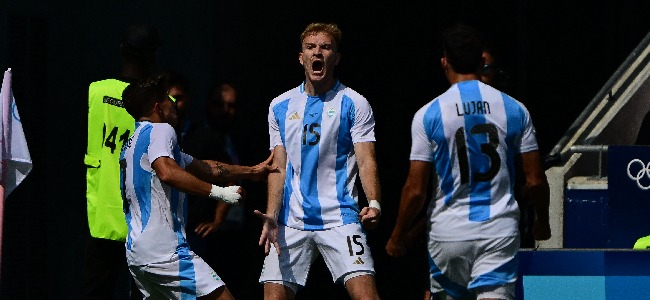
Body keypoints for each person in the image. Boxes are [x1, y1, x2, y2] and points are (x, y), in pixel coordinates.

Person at [385, 23, 551, 300]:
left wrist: (397, 235)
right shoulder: (514, 108)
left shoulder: (429, 114)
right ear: (482, 59)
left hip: (448, 235)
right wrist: (542, 222)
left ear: (444, 62)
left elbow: (415, 190)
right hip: (497, 232)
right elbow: (534, 180)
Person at [119, 72, 277, 299]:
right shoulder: (161, 130)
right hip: (165, 252)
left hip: (137, 254)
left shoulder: (135, 140)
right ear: (157, 107)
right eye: (168, 98)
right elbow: (167, 172)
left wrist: (251, 171)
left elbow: (205, 167)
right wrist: (220, 193)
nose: (174, 105)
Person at [254, 22, 383, 300]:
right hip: (292, 220)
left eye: (325, 48)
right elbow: (278, 166)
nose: (318, 53)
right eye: (311, 47)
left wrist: (373, 203)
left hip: (341, 217)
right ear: (301, 57)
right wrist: (272, 216)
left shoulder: (354, 103)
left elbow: (366, 159)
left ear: (336, 58)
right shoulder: (280, 105)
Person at [84, 22, 161, 300]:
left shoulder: (96, 92)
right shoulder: (159, 103)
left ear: (121, 50)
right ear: (153, 56)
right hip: (144, 221)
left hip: (102, 215)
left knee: (97, 292)